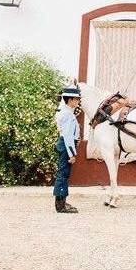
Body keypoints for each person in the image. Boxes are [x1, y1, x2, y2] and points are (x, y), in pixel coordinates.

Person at [53, 85, 81, 214]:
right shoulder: (68, 115)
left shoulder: (62, 110)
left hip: (63, 143)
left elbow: (62, 101)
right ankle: (60, 206)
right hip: (66, 144)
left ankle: (62, 202)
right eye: (76, 99)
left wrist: (71, 85)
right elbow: (68, 137)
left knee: (62, 174)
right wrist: (72, 154)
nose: (78, 102)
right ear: (70, 100)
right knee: (63, 175)